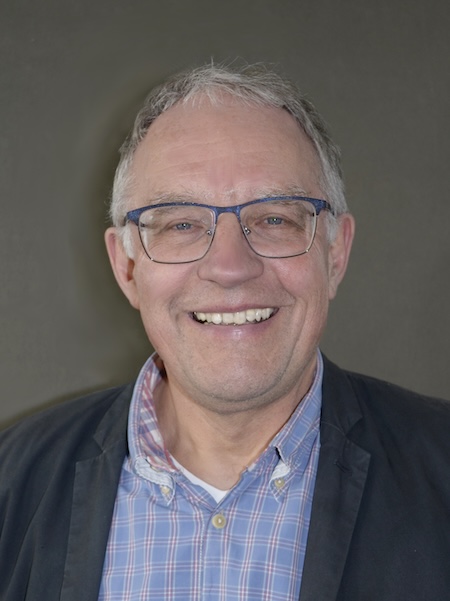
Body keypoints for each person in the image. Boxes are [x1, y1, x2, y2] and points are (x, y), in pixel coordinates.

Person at [1, 63, 449, 601]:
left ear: (335, 253)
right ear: (127, 267)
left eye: (275, 219)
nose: (230, 267)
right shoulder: (11, 482)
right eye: (181, 224)